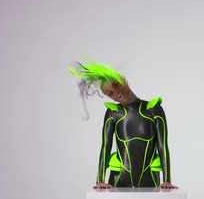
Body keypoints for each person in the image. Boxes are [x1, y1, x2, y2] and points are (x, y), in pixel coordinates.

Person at [69, 58, 178, 189]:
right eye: (111, 93)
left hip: (150, 180)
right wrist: (99, 180)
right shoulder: (113, 113)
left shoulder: (153, 109)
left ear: (123, 80)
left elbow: (162, 145)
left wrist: (167, 180)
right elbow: (106, 146)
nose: (117, 93)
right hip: (118, 179)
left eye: (116, 85)